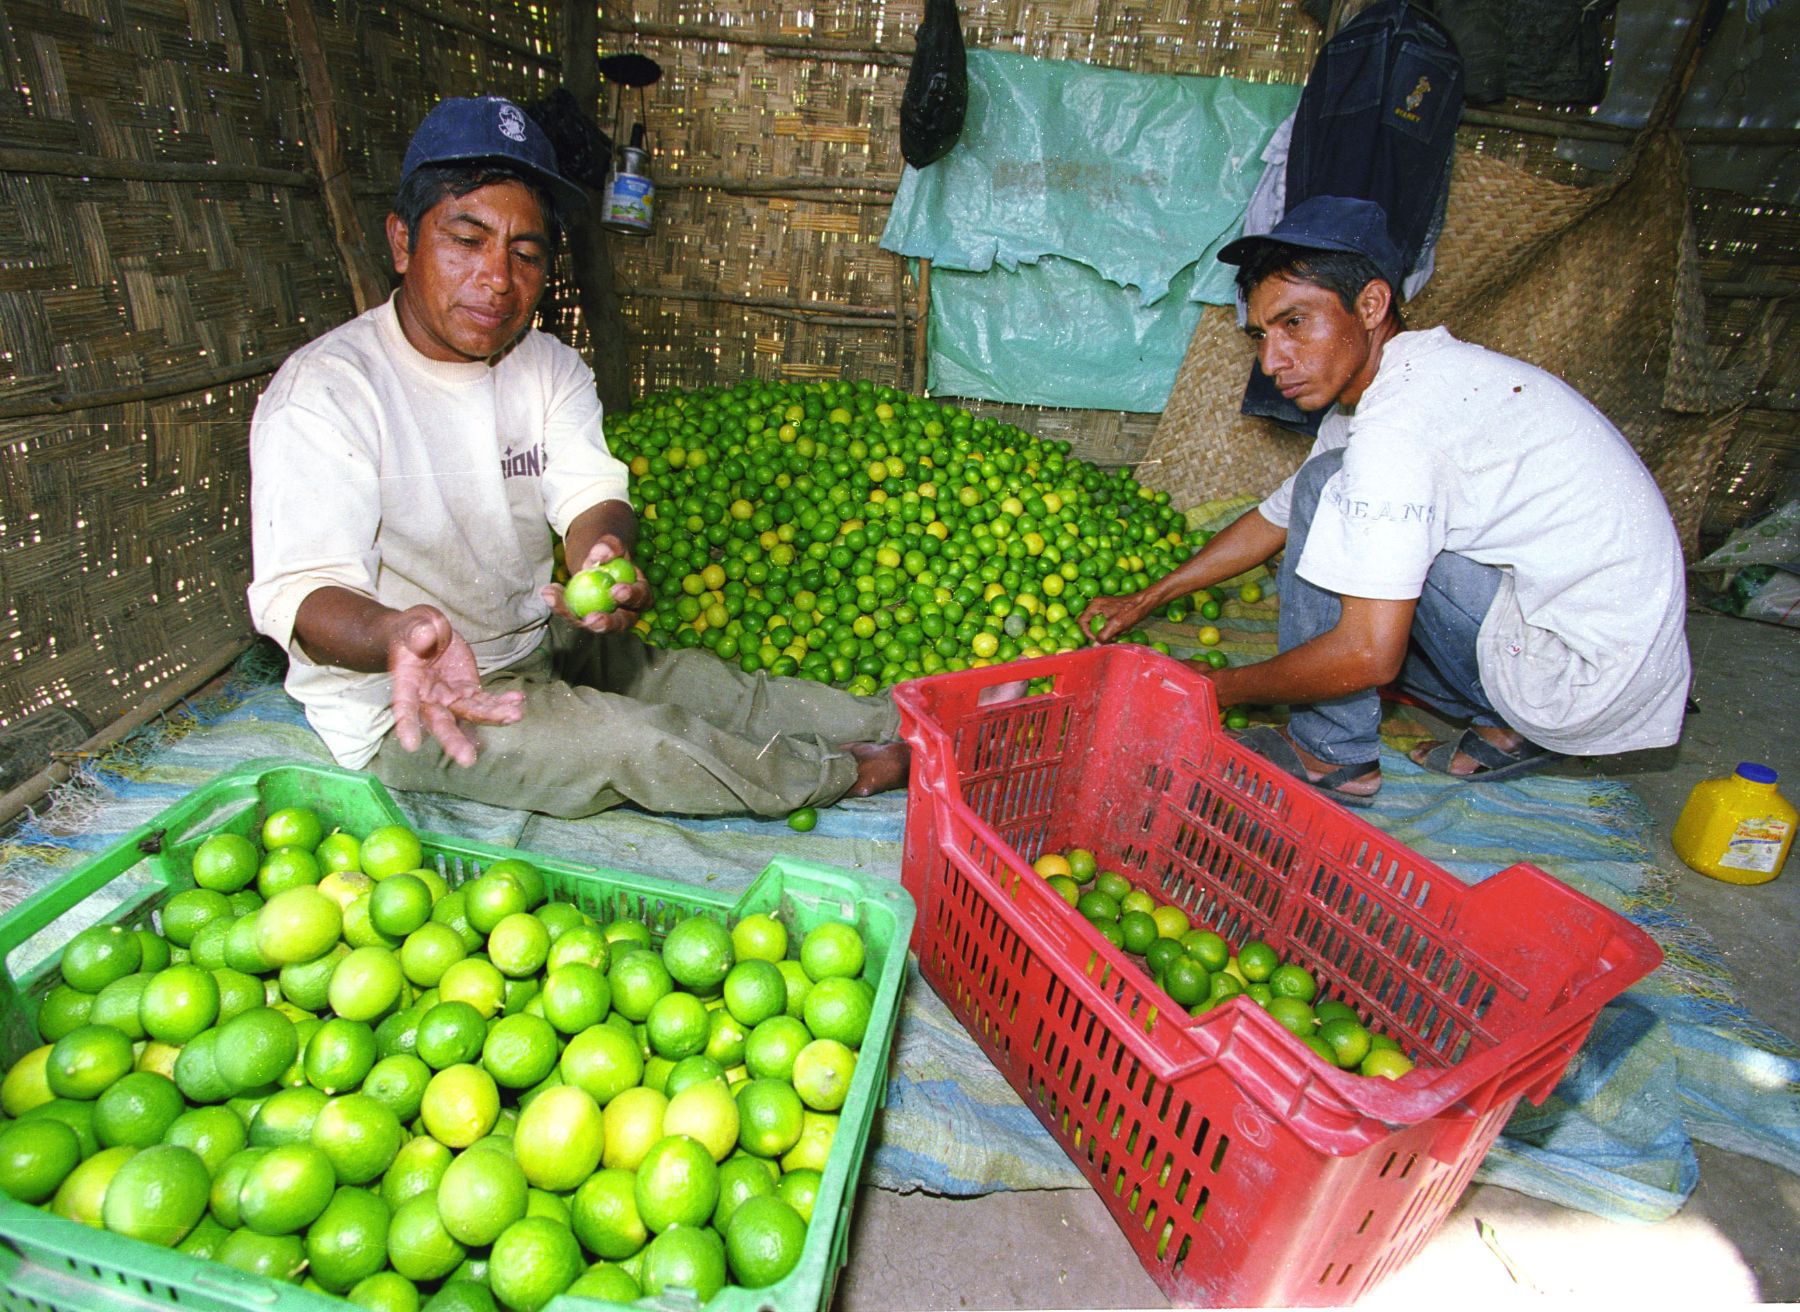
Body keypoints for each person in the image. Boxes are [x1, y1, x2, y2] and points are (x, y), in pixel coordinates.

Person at [247, 95, 908, 819]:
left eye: (525, 254)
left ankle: (904, 720)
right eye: (467, 241)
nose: (499, 279)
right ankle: (830, 774)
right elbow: (304, 595)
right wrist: (396, 635)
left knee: (713, 689)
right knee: (634, 742)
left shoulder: (547, 367)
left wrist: (604, 555)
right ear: (403, 242)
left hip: (533, 639)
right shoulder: (329, 392)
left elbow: (592, 493)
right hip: (410, 703)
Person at [1079, 195, 1690, 805]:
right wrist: (1147, 597)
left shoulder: (1401, 426)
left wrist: (1215, 689)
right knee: (1332, 508)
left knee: (1337, 524)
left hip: (1581, 678)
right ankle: (1508, 727)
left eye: (1295, 322)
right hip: (1607, 658)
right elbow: (1276, 518)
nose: (1271, 361)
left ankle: (1329, 754)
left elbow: (1368, 655)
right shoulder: (1400, 381)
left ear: (1370, 305)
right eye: (1261, 334)